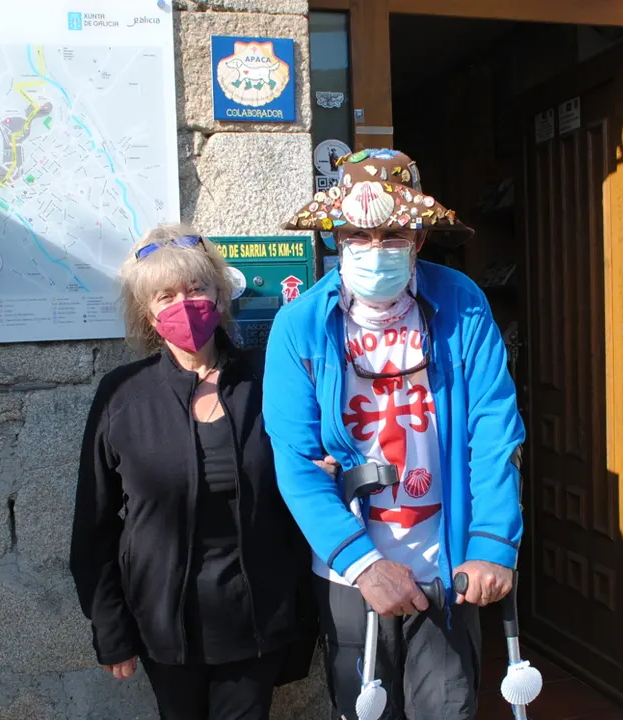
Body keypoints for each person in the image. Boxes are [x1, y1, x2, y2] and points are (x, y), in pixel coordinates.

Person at [264, 149, 526, 719]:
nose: (375, 248)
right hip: (349, 573)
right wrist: (363, 565)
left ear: (419, 240)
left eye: (392, 234)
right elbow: (297, 460)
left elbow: (493, 428)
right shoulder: (300, 325)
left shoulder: (462, 305)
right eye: (359, 233)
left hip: (448, 565)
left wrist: (491, 543)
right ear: (337, 237)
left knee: (449, 708)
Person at [69, 225, 316, 720]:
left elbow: (307, 485)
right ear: (148, 312)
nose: (185, 304)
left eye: (196, 289)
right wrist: (110, 630)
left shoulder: (267, 381)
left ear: (220, 295)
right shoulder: (123, 396)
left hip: (258, 622)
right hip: (165, 628)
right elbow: (93, 527)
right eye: (166, 295)